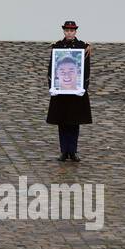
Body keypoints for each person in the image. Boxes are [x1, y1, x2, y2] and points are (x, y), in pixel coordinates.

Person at [46, 21, 92, 161]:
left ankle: (73, 151)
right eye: (67, 30)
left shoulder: (83, 47)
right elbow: (51, 68)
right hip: (61, 92)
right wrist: (52, 86)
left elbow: (86, 70)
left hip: (76, 92)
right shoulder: (57, 46)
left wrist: (83, 87)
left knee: (74, 122)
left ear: (75, 32)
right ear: (64, 31)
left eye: (72, 30)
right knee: (62, 122)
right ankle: (64, 151)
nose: (69, 33)